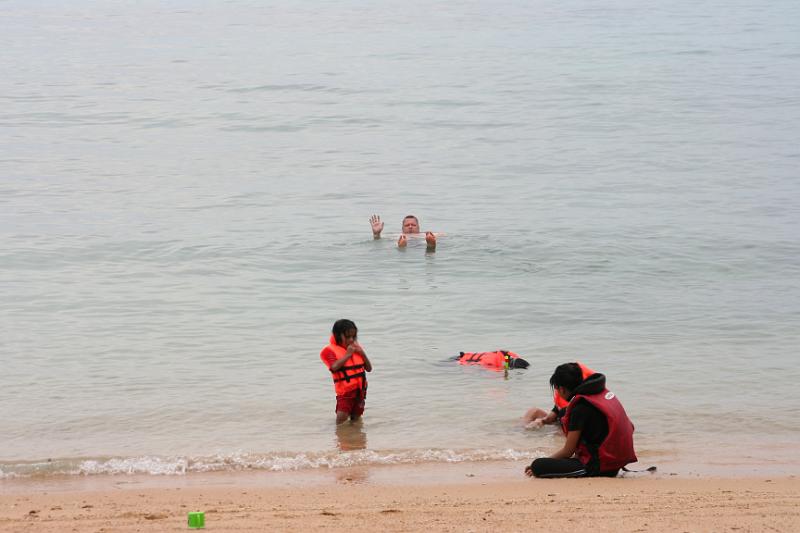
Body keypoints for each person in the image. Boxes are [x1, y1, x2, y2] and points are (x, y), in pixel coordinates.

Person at [525, 363, 637, 478]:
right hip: (614, 462)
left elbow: (568, 451)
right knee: (564, 412)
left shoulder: (580, 408)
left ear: (562, 389)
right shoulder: (598, 394)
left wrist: (543, 463)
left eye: (557, 389)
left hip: (599, 467)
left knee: (538, 465)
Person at [320, 319, 373, 425]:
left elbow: (369, 368)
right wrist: (348, 355)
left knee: (357, 417)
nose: (351, 340)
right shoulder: (329, 350)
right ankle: (339, 435)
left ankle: (355, 437)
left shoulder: (356, 348)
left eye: (353, 337)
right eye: (347, 337)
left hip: (360, 389)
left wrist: (362, 353)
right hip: (345, 392)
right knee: (342, 417)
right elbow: (334, 367)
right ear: (337, 336)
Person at [522, 361, 594, 429]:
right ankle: (520, 431)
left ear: (562, 389)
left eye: (556, 388)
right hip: (562, 420)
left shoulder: (582, 405)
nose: (556, 390)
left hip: (571, 427)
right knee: (534, 411)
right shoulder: (566, 390)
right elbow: (557, 409)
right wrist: (543, 421)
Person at [369, 214, 437, 251]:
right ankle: (402, 247)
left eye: (413, 225)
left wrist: (432, 237)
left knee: (428, 239)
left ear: (418, 227)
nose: (410, 227)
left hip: (421, 244)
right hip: (403, 241)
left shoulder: (425, 235)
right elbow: (379, 240)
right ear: (402, 228)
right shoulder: (397, 235)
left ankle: (430, 245)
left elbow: (444, 235)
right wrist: (376, 234)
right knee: (400, 241)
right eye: (407, 225)